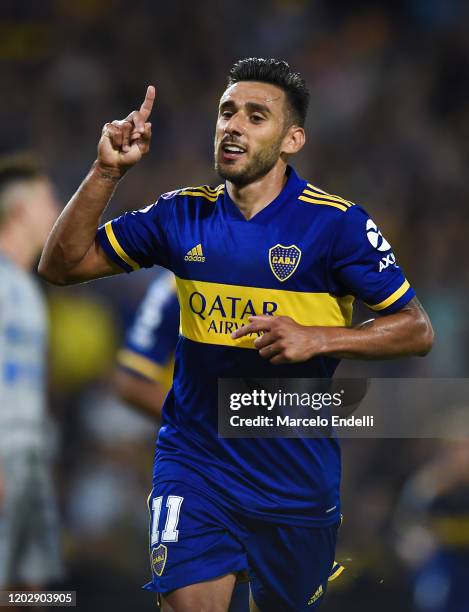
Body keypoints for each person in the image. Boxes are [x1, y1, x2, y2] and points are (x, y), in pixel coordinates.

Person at [38, 58, 434, 611]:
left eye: (256, 116)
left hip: (296, 479)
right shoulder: (181, 216)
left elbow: (416, 329)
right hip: (195, 463)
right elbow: (61, 265)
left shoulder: (337, 224)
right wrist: (107, 172)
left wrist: (318, 338)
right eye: (227, 113)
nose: (234, 126)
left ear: (292, 138)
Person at [0, 154, 63, 590]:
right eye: (49, 201)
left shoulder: (28, 286)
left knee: (37, 591)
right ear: (20, 210)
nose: (57, 213)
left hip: (30, 453)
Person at [113, 269, 179, 419]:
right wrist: (205, 427)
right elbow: (131, 382)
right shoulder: (176, 287)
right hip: (198, 434)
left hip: (236, 421)